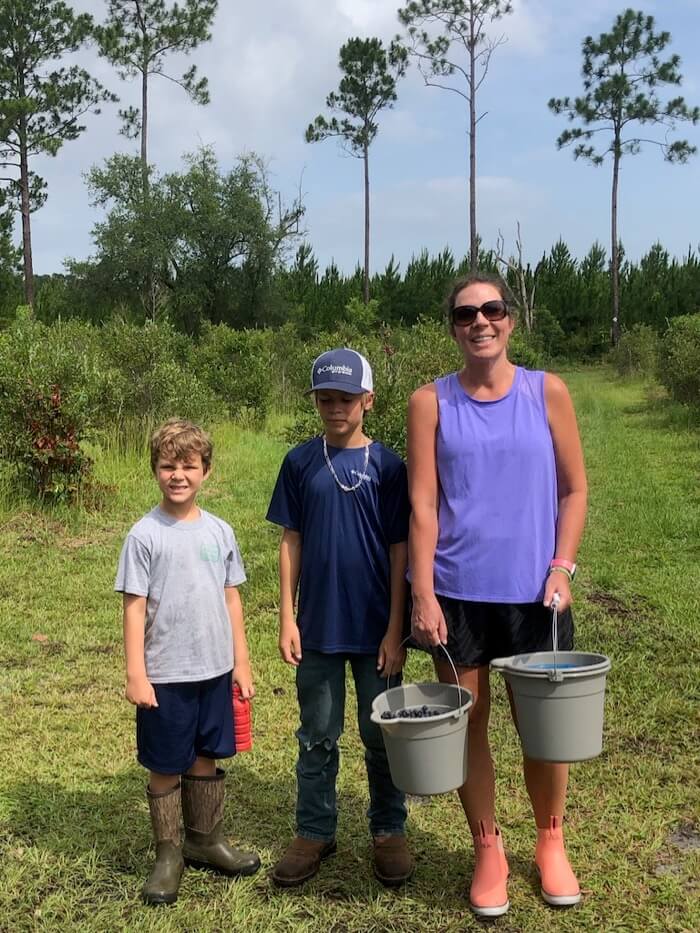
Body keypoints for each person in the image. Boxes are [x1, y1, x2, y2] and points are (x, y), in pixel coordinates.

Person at [407, 274, 588, 917]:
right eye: (465, 314)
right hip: (457, 593)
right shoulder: (430, 402)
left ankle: (550, 840)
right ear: (452, 327)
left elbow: (574, 489)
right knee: (468, 723)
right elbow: (423, 503)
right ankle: (487, 846)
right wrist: (422, 592)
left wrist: (562, 566)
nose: (479, 321)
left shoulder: (548, 392)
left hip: (535, 596)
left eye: (492, 310)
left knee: (542, 726)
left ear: (510, 320)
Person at [266, 348, 414, 888]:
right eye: (325, 398)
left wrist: (397, 629)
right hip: (319, 628)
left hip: (378, 630)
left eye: (346, 398)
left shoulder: (389, 467)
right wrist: (288, 615)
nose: (335, 408)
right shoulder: (301, 462)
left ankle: (388, 829)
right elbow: (291, 540)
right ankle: (314, 830)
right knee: (317, 734)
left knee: (383, 735)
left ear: (368, 401)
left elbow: (401, 550)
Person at [115, 418, 260, 905]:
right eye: (167, 465)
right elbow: (134, 606)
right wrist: (136, 671)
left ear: (207, 471)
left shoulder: (220, 531)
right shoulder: (144, 535)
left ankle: (205, 839)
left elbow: (232, 599)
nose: (178, 475)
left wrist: (240, 662)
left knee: (206, 754)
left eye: (188, 466)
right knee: (165, 761)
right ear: (154, 470)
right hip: (165, 674)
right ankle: (169, 852)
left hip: (214, 670)